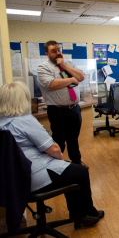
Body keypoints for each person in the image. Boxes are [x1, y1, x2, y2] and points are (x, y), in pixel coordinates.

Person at [0, 81, 104, 227]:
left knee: (70, 169)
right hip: (31, 176)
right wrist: (59, 157)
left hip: (11, 180)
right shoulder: (25, 121)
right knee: (80, 171)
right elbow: (55, 151)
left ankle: (79, 214)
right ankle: (86, 214)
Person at [37, 40, 88, 169]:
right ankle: (57, 166)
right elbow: (52, 84)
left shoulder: (69, 64)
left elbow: (81, 77)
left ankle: (76, 162)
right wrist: (71, 79)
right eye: (54, 51)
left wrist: (64, 66)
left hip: (74, 109)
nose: (58, 53)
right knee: (59, 140)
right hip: (57, 110)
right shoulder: (43, 67)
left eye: (59, 50)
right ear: (47, 54)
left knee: (73, 138)